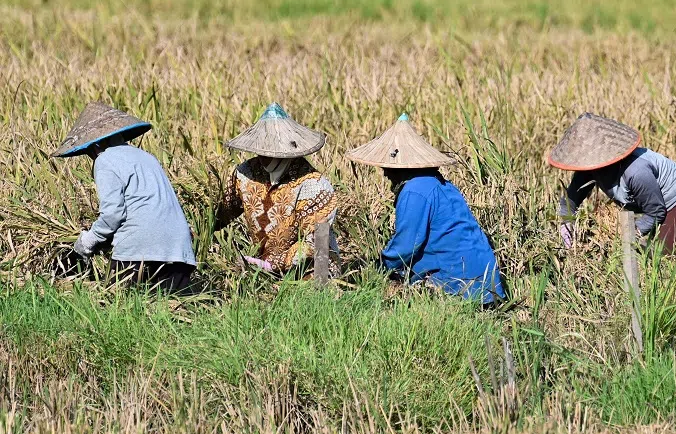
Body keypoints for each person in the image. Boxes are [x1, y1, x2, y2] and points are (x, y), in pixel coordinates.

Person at [346, 114, 506, 306]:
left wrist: (378, 268)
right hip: (485, 285)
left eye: (387, 167)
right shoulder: (439, 184)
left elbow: (406, 246)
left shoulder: (415, 191)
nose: (385, 173)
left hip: (459, 285)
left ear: (400, 167)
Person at [51, 102, 197, 293]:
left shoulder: (104, 160)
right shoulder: (147, 157)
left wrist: (88, 241)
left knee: (117, 306)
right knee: (173, 312)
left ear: (95, 145)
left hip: (139, 248)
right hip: (179, 249)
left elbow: (113, 215)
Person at [549, 113, 676, 267]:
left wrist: (629, 235)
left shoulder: (636, 172)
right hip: (656, 205)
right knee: (651, 262)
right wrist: (566, 222)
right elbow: (572, 198)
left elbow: (656, 212)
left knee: (674, 264)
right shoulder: (589, 167)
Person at [215, 103, 339, 275]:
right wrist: (197, 228)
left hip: (310, 270)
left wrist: (274, 264)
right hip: (260, 267)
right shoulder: (245, 173)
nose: (263, 156)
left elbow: (315, 241)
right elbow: (223, 210)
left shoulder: (314, 186)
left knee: (316, 285)